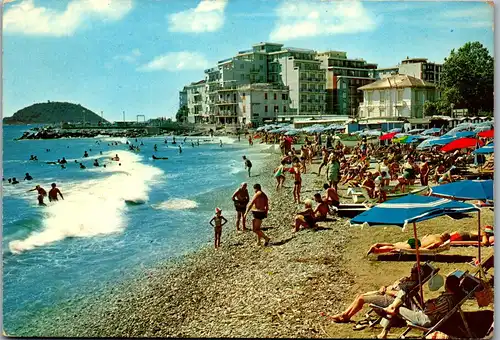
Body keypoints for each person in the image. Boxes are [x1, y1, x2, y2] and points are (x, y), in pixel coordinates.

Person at [329, 263, 422, 323]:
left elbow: (398, 295)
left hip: (390, 300)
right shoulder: (406, 279)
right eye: (412, 271)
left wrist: (386, 290)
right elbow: (392, 286)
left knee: (361, 298)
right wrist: (385, 287)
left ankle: (345, 316)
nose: (411, 273)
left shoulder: (412, 285)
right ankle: (344, 314)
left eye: (414, 272)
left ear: (418, 275)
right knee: (359, 296)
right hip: (384, 294)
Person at [377, 275, 461, 339]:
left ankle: (384, 331)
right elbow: (431, 307)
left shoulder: (446, 300)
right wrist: (430, 303)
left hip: (425, 319)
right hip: (425, 315)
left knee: (397, 308)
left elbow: (428, 310)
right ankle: (391, 307)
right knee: (405, 295)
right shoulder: (451, 297)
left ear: (447, 285)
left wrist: (429, 303)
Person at [367, 233, 451, 255]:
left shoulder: (435, 235)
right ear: (445, 238)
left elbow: (426, 236)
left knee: (394, 245)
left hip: (416, 240)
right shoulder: (439, 241)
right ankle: (376, 250)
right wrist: (421, 250)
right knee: (394, 248)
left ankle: (379, 244)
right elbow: (431, 247)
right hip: (417, 245)